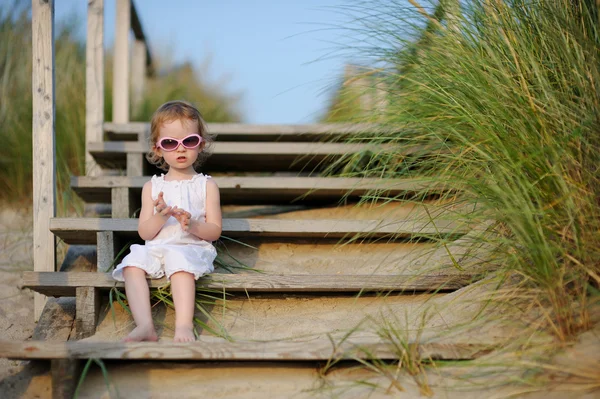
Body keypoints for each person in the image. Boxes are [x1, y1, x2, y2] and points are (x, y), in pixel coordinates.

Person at [112, 100, 222, 343]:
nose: (180, 149)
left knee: (180, 265)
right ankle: (145, 325)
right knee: (132, 264)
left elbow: (214, 231)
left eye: (189, 141)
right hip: (157, 248)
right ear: (158, 149)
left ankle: (183, 325)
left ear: (200, 144)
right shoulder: (153, 187)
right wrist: (161, 216)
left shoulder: (207, 185)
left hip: (189, 248)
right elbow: (144, 232)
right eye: (170, 143)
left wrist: (192, 225)